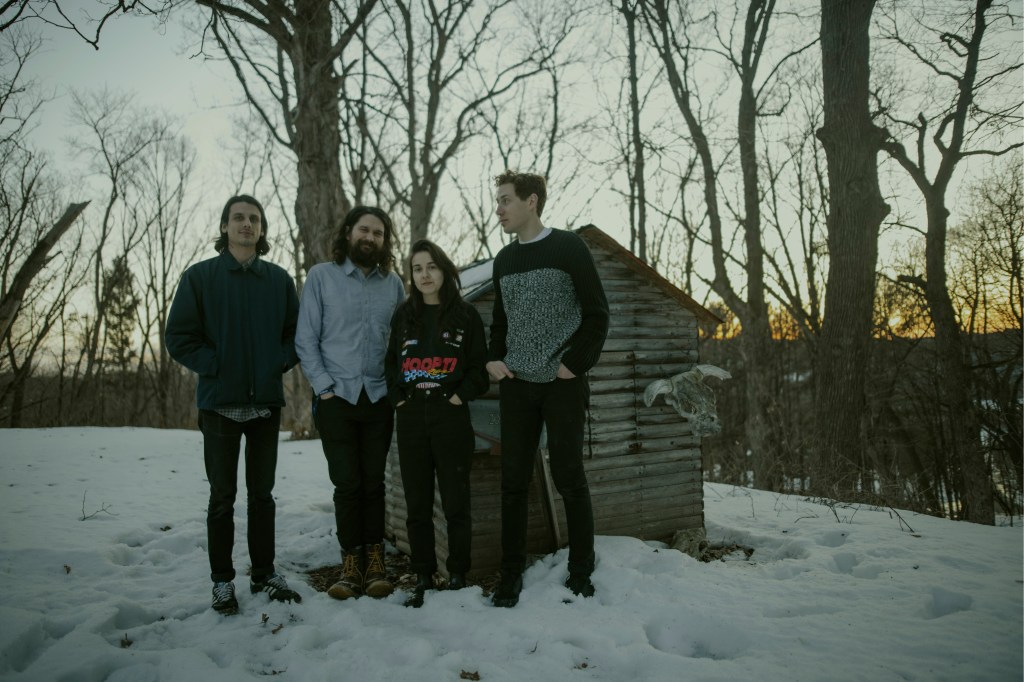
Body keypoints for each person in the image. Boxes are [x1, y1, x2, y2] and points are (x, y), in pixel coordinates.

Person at [165, 194, 303, 615]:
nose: (247, 224)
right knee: (222, 497)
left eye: (254, 219)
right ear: (224, 226)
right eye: (238, 218)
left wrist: (276, 362)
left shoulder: (278, 280)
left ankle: (264, 573)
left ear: (261, 229)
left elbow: (295, 335)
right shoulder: (200, 277)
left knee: (262, 496)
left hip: (264, 406)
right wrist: (217, 366)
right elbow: (178, 337)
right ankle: (222, 582)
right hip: (219, 405)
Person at [486, 170, 610, 608]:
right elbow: (500, 322)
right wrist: (494, 358)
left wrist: (572, 365)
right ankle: (510, 576)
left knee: (568, 476)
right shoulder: (504, 260)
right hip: (517, 384)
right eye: (498, 201)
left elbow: (597, 314)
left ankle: (581, 571)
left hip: (562, 384)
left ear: (531, 201)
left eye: (505, 200)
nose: (498, 210)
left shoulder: (568, 247)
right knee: (513, 482)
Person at [295, 206, 405, 601]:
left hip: (377, 398)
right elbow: (306, 338)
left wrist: (396, 389)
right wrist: (323, 387)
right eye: (364, 229)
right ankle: (351, 564)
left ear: (384, 241)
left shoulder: (393, 285)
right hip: (336, 397)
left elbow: (401, 341)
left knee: (373, 484)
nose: (370, 237)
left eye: (378, 233)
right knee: (347, 484)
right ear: (348, 232)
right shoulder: (321, 277)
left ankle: (375, 563)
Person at [385, 240, 489, 608]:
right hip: (412, 417)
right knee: (417, 503)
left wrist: (458, 397)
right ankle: (423, 576)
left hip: (450, 417)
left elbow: (479, 370)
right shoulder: (404, 315)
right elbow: (390, 366)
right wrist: (399, 399)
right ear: (411, 275)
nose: (425, 275)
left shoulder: (465, 315)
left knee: (456, 501)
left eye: (431, 267)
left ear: (444, 270)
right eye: (417, 268)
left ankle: (458, 574)